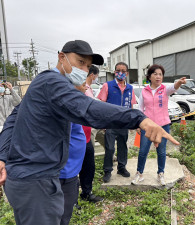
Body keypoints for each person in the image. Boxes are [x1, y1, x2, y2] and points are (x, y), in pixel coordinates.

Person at [0, 40, 179, 225]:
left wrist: (2, 155)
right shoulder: (52, 82)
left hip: (35, 177)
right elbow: (88, 108)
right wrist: (139, 119)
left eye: (87, 66)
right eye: (80, 62)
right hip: (36, 181)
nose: (84, 70)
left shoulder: (44, 82)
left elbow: (13, 118)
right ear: (62, 57)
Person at [131, 64, 186, 186]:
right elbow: (140, 109)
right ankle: (139, 173)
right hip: (148, 126)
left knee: (161, 152)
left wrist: (179, 82)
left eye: (160, 74)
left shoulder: (164, 89)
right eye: (155, 74)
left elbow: (174, 87)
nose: (158, 76)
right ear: (149, 76)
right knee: (143, 151)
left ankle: (160, 173)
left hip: (163, 125)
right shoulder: (144, 91)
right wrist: (139, 125)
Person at [97, 62, 137, 183]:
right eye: (118, 70)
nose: (120, 73)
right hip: (110, 123)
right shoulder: (107, 86)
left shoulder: (130, 88)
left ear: (127, 73)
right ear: (114, 72)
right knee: (109, 148)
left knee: (123, 147)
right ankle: (107, 171)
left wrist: (131, 122)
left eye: (123, 71)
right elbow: (101, 105)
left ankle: (121, 168)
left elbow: (131, 106)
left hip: (123, 123)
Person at [59, 82, 87, 225]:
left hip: (70, 172)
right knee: (60, 215)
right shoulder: (64, 105)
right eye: (84, 83)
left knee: (66, 213)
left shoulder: (73, 103)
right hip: (61, 173)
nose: (87, 86)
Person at [80, 65, 103, 202]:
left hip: (86, 136)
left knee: (89, 166)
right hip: (73, 139)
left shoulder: (87, 91)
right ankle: (70, 202)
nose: (86, 86)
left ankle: (86, 193)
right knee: (70, 171)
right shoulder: (71, 95)